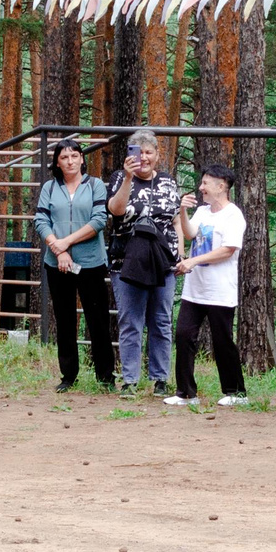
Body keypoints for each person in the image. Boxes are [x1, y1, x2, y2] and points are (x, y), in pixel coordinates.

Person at [104, 128, 181, 395]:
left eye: (149, 152)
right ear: (130, 155)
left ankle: (160, 379)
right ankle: (129, 380)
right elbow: (116, 210)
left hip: (162, 261)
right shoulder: (118, 178)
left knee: (161, 320)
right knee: (130, 321)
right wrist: (128, 177)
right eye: (139, 152)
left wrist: (180, 254)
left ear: (158, 155)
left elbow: (175, 220)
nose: (144, 158)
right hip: (126, 261)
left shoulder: (168, 182)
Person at [35, 137, 114, 391]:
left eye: (74, 156)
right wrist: (58, 251)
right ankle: (68, 376)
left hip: (90, 262)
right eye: (64, 157)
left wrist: (65, 242)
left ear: (82, 158)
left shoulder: (96, 186)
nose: (70, 161)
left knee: (98, 319)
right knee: (65, 318)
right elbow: (40, 220)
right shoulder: (49, 187)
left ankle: (105, 377)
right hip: (57, 263)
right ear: (57, 163)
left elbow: (99, 220)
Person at [167, 164, 248, 407]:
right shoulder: (202, 211)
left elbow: (228, 250)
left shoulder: (234, 215)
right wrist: (182, 210)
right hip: (195, 290)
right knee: (183, 336)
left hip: (220, 291)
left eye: (205, 183)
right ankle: (185, 393)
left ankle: (236, 392)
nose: (201, 187)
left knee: (222, 340)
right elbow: (191, 233)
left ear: (221, 186)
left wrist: (193, 260)